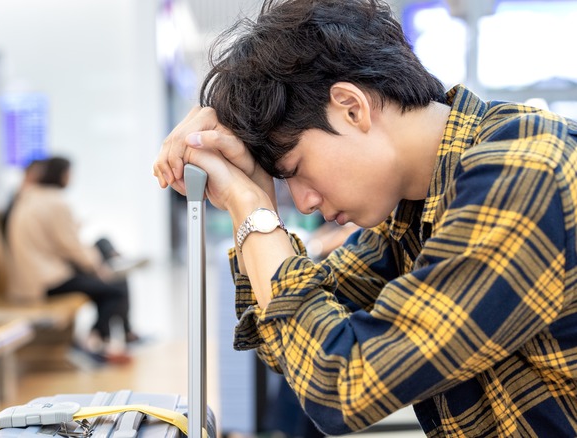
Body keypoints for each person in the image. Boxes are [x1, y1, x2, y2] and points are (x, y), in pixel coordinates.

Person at [152, 0, 577, 436]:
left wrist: (252, 209)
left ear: (352, 108)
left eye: (295, 170)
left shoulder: (525, 171)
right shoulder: (412, 207)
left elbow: (339, 386)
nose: (304, 203)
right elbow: (291, 342)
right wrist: (256, 193)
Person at [8, 156, 138, 363]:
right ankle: (96, 340)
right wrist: (96, 267)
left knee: (109, 276)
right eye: (69, 174)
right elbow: (70, 246)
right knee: (114, 290)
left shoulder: (31, 197)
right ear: (61, 175)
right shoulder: (55, 202)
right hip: (46, 280)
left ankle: (101, 340)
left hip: (34, 276)